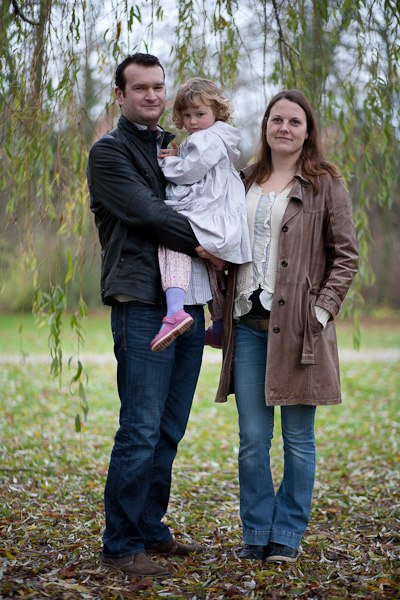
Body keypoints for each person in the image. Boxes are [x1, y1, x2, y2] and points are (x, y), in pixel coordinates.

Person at [87, 53, 219, 577]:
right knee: (140, 428)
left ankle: (149, 528)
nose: (152, 96)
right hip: (141, 302)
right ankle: (120, 545)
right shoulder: (109, 153)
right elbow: (149, 213)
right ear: (120, 95)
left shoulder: (176, 146)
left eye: (158, 87)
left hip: (189, 302)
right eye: (140, 88)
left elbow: (212, 194)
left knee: (168, 428)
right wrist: (213, 242)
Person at [215, 90, 359, 563]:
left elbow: (346, 257)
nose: (284, 128)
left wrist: (320, 312)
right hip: (247, 327)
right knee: (252, 441)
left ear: (307, 130)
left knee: (298, 441)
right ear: (265, 126)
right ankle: (257, 531)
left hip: (301, 334)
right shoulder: (243, 180)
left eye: (295, 121)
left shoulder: (325, 184)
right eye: (276, 119)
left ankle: (287, 534)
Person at [150, 78, 251, 353]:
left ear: (217, 112)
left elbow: (189, 172)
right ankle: (218, 323)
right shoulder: (219, 138)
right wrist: (181, 153)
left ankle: (174, 311)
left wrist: (168, 162)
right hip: (220, 216)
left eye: (200, 114)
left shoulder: (207, 138)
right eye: (187, 115)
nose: (193, 122)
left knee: (171, 243)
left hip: (207, 212)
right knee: (212, 266)